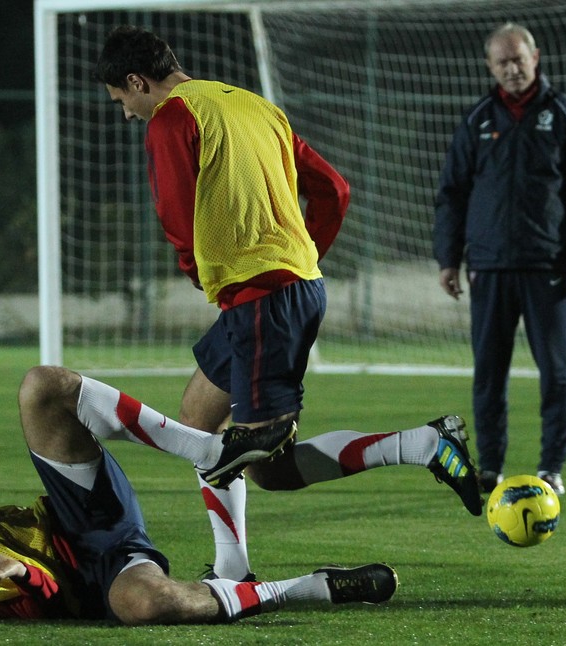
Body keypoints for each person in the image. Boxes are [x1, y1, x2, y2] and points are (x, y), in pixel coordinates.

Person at [94, 25, 482, 582]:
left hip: (262, 301)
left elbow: (177, 215)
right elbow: (335, 190)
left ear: (137, 81)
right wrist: (301, 260)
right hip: (283, 291)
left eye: (122, 101)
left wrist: (202, 269)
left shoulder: (173, 118)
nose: (128, 114)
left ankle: (422, 445)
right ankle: (234, 569)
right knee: (203, 424)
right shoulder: (255, 106)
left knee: (258, 457)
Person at [0, 365, 399, 624]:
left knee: (41, 387)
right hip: (92, 577)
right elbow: (52, 600)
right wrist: (18, 573)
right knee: (147, 605)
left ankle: (205, 450)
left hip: (76, 511)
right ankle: (300, 590)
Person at [433, 23, 566, 496]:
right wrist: (447, 258)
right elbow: (452, 194)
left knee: (558, 374)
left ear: (536, 57)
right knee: (489, 377)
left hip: (549, 269)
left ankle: (552, 466)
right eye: (502, 62)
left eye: (519, 59)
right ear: (490, 67)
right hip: (489, 268)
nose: (512, 69)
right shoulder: (477, 121)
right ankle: (489, 466)